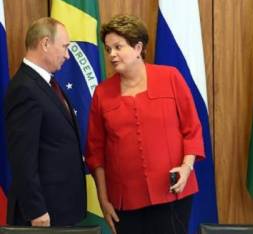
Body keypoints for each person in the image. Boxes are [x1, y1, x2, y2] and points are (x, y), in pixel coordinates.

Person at [86, 15, 205, 234]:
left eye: (118, 47)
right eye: (108, 49)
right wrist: (103, 200)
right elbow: (95, 153)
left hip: (172, 194)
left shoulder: (170, 77)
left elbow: (192, 130)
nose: (111, 54)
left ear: (138, 47)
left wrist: (186, 168)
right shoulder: (102, 93)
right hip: (125, 203)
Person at [4, 17, 87, 226]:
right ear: (45, 44)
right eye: (65, 47)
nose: (68, 56)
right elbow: (23, 157)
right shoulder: (25, 88)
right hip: (44, 214)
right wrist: (36, 210)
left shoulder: (46, 82)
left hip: (63, 207)